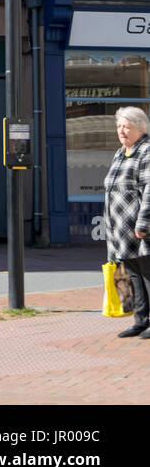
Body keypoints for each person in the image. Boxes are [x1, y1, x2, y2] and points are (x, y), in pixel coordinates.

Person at [104, 107, 150, 337]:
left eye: (126, 126)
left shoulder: (147, 152)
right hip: (120, 229)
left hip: (139, 227)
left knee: (148, 273)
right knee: (133, 275)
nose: (121, 131)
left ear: (140, 128)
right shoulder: (121, 152)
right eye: (119, 126)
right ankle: (140, 320)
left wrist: (143, 223)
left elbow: (149, 189)